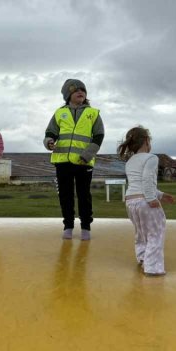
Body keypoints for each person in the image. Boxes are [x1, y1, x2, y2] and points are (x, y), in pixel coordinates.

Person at [44, 78, 104, 240]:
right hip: (62, 162)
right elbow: (50, 132)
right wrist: (49, 142)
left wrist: (88, 155)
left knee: (84, 195)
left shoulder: (93, 113)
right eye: (76, 90)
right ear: (67, 95)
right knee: (65, 195)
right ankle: (68, 225)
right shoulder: (59, 113)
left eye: (83, 90)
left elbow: (99, 136)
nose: (80, 92)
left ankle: (86, 226)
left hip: (84, 162)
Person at [117, 127, 176, 276]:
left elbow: (138, 183)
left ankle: (142, 257)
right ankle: (152, 268)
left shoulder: (130, 161)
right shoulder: (151, 158)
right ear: (147, 141)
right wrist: (151, 199)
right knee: (155, 232)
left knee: (141, 232)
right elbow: (147, 179)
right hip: (144, 201)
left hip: (130, 201)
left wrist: (161, 195)